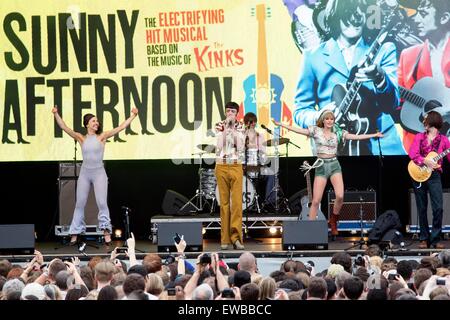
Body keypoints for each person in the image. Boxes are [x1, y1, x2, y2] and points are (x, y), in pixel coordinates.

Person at [293, 0, 404, 156]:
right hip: (335, 151)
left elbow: (392, 104)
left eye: (360, 13)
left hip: (382, 147)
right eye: (347, 14)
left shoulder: (384, 49)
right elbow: (301, 110)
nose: (354, 19)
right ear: (335, 15)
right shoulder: (312, 57)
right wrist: (318, 117)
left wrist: (380, 79)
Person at [273, 109, 383, 239]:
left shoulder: (338, 132)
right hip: (321, 166)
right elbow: (299, 130)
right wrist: (281, 124)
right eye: (327, 119)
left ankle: (333, 220)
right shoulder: (316, 131)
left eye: (332, 119)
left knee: (340, 196)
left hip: (334, 165)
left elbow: (355, 137)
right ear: (323, 120)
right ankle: (310, 229)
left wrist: (373, 135)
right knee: (315, 200)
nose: (330, 121)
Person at [52, 105, 138, 245]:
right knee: (80, 203)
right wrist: (56, 114)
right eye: (93, 121)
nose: (96, 123)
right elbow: (64, 127)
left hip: (99, 173)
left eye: (97, 121)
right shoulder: (81, 138)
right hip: (85, 173)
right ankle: (75, 233)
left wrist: (133, 116)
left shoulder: (102, 137)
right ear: (87, 124)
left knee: (102, 203)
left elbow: (120, 127)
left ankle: (106, 231)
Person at [398, 0, 450, 152]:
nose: (416, 19)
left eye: (423, 13)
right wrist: (381, 83)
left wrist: (445, 111)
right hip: (420, 148)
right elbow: (396, 101)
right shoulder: (408, 56)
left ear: (444, 18)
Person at [408, 111, 450, 249]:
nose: (423, 123)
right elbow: (413, 154)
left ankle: (436, 238)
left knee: (438, 208)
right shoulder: (419, 137)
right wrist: (425, 160)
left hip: (434, 176)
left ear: (433, 122)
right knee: (421, 207)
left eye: (426, 121)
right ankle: (424, 238)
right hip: (419, 174)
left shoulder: (444, 140)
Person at [214, 102, 245, 250]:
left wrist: (233, 129)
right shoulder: (219, 125)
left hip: (236, 165)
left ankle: (236, 238)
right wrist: (227, 128)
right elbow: (219, 146)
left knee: (237, 204)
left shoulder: (241, 126)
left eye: (233, 111)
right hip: (221, 165)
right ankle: (225, 239)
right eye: (228, 111)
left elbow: (239, 146)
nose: (230, 113)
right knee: (224, 204)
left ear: (237, 113)